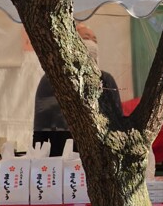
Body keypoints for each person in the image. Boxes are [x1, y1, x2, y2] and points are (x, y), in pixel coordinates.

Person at [33, 23, 121, 156]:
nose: (91, 43)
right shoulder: (51, 79)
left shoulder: (105, 79)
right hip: (59, 154)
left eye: (95, 40)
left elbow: (117, 121)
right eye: (86, 37)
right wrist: (38, 157)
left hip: (97, 155)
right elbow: (41, 124)